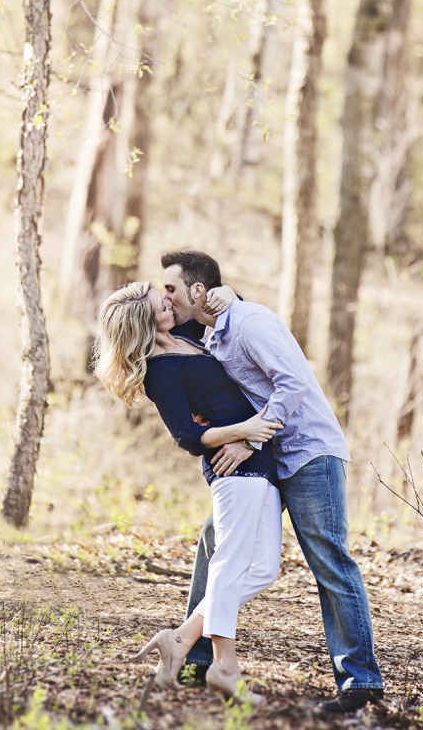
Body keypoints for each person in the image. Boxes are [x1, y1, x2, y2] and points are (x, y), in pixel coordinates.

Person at [161, 249, 385, 717]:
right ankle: (196, 658)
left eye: (172, 289)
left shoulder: (248, 323)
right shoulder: (205, 329)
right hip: (265, 460)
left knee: (328, 558)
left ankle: (360, 680)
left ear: (197, 291)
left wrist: (251, 436)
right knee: (213, 541)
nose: (166, 297)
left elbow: (292, 382)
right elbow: (156, 329)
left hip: (306, 452)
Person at [94, 280, 283, 703]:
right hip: (232, 466)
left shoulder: (183, 338)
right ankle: (224, 667)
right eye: (156, 301)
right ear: (147, 319)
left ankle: (179, 639)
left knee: (264, 568)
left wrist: (230, 293)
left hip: (255, 457)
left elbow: (223, 323)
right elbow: (186, 434)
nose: (167, 298)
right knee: (230, 564)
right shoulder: (160, 369)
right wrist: (245, 430)